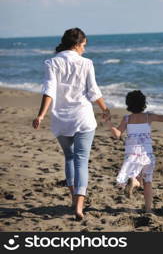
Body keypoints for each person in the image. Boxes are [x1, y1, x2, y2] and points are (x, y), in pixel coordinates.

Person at [32, 28, 110, 221]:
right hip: (83, 117)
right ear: (76, 44)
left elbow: (49, 90)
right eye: (83, 45)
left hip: (61, 119)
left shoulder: (51, 62)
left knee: (69, 157)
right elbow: (93, 91)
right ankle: (79, 206)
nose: (84, 49)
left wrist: (41, 115)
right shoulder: (86, 63)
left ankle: (73, 198)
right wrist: (104, 109)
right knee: (81, 160)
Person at [105, 90, 163, 213]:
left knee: (136, 177)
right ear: (144, 103)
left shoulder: (127, 119)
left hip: (132, 154)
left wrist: (109, 122)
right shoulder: (149, 117)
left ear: (128, 105)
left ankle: (134, 181)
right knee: (148, 181)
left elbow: (117, 134)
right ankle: (148, 209)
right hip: (147, 155)